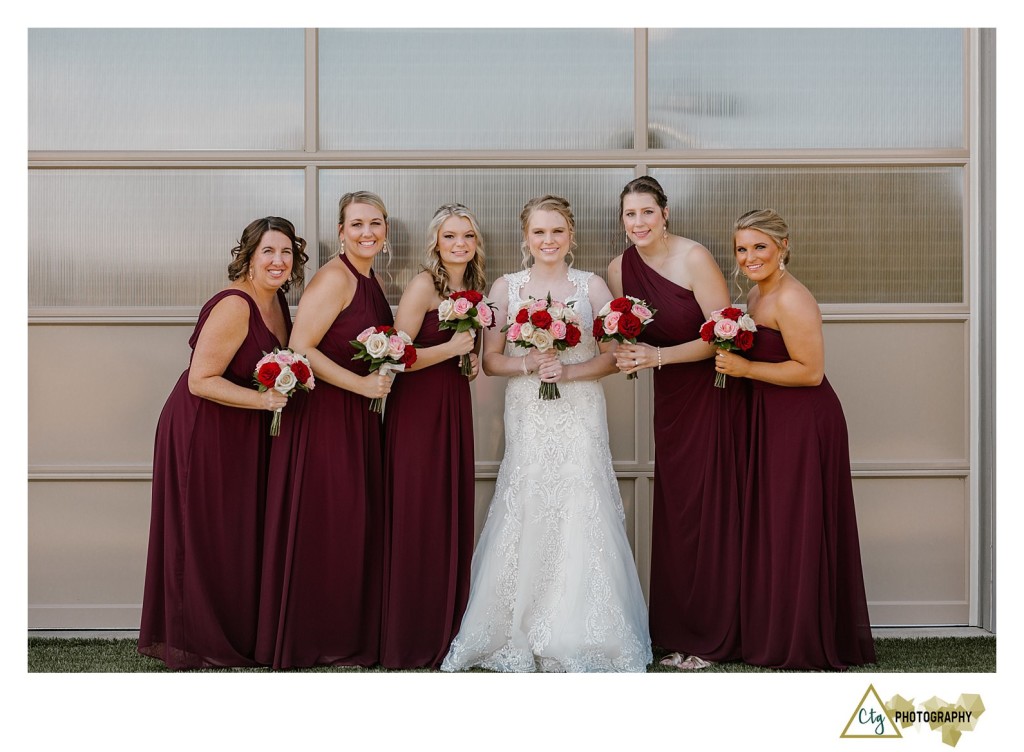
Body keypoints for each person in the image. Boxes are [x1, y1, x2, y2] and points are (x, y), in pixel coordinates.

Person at [441, 195, 652, 673]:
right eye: (539, 232)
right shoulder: (506, 287)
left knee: (582, 503)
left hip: (578, 410)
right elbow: (491, 362)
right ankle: (517, 623)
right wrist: (529, 362)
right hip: (528, 411)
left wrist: (570, 374)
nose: (548, 240)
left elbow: (614, 355)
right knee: (529, 499)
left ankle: (581, 628)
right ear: (525, 237)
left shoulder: (591, 286)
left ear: (570, 236)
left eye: (557, 231)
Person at [138, 216, 306, 669]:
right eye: (268, 252)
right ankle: (198, 640)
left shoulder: (279, 303)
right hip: (203, 428)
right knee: (204, 531)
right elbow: (200, 380)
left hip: (241, 429)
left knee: (234, 533)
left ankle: (235, 632)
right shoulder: (235, 305)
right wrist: (266, 399)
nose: (278, 261)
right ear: (249, 259)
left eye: (286, 252)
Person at [715, 209, 876, 670]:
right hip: (772, 418)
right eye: (742, 249)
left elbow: (810, 371)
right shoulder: (758, 296)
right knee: (776, 524)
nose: (749, 257)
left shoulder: (792, 298)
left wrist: (745, 368)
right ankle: (774, 628)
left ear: (784, 246)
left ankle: (802, 637)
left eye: (760, 246)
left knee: (795, 523)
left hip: (803, 422)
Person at [608, 176, 747, 670]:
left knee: (707, 510)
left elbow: (721, 337)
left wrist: (656, 355)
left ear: (665, 214)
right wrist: (627, 357)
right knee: (676, 512)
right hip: (668, 402)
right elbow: (624, 336)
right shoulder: (619, 269)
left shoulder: (694, 258)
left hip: (710, 396)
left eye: (647, 212)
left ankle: (711, 637)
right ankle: (675, 632)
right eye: (630, 214)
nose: (638, 223)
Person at [255, 191, 394, 669]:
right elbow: (300, 348)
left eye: (375, 223)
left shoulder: (370, 279)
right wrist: (361, 385)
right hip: (325, 419)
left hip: (353, 417)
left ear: (386, 229)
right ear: (341, 232)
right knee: (330, 524)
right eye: (356, 225)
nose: (367, 233)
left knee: (349, 525)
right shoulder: (335, 278)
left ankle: (343, 635)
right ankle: (317, 639)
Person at [379, 203, 483, 669]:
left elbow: (461, 349)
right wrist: (451, 349)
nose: (459, 244)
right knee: (419, 508)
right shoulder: (423, 283)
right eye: (450, 237)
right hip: (419, 409)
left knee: (446, 507)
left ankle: (447, 623)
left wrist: (471, 359)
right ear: (435, 243)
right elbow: (397, 357)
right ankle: (411, 634)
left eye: (467, 236)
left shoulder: (470, 288)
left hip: (452, 405)